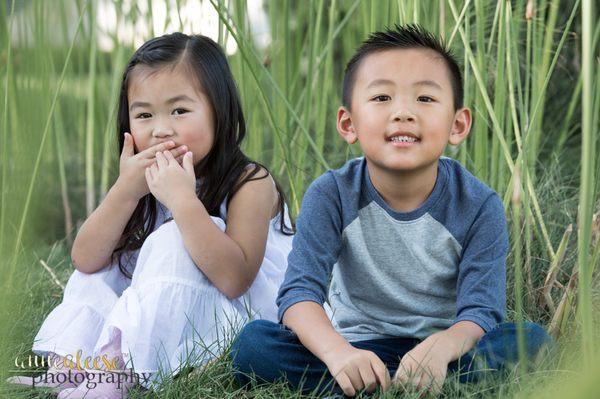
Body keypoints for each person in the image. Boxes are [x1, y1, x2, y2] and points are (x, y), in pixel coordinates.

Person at [231, 24, 552, 397]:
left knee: (532, 341)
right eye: (382, 97)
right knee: (253, 345)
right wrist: (339, 354)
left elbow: (481, 311)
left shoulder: (479, 205)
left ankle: (379, 384)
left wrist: (441, 348)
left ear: (458, 124)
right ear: (348, 123)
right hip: (357, 346)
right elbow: (298, 295)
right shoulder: (331, 194)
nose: (402, 112)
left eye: (425, 99)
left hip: (445, 351)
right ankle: (367, 378)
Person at [8, 32, 294, 398]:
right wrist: (125, 191)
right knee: (105, 263)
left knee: (173, 238)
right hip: (164, 307)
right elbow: (84, 259)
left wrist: (183, 202)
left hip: (232, 317)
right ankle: (77, 363)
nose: (161, 129)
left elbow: (235, 279)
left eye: (179, 110)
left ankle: (115, 372)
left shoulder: (250, 183)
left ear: (219, 112)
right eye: (144, 114)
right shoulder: (142, 180)